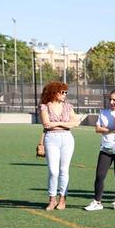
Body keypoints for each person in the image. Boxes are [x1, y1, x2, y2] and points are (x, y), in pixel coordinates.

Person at [84, 89, 115, 211]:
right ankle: (97, 202)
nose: (111, 102)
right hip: (105, 148)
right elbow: (98, 129)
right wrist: (110, 130)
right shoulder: (103, 112)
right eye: (110, 99)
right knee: (99, 175)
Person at [39, 81, 75, 210]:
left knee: (64, 170)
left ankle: (62, 199)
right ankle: (52, 199)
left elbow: (75, 123)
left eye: (66, 92)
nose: (65, 94)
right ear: (54, 92)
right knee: (53, 171)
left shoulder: (68, 106)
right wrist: (64, 123)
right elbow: (46, 124)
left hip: (67, 138)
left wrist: (57, 123)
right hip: (51, 138)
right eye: (62, 92)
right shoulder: (44, 106)